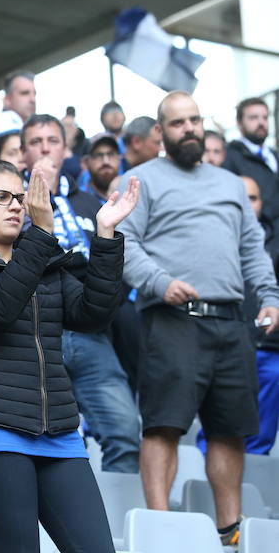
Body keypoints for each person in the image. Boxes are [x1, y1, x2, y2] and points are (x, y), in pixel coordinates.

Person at [0, 159, 139, 552]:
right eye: (1, 196)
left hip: (58, 432)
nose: (15, 206)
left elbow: (93, 316)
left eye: (20, 198)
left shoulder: (46, 265)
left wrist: (107, 237)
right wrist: (40, 236)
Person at [118, 91, 279, 546]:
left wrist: (269, 296)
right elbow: (122, 241)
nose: (189, 128)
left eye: (194, 121)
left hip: (231, 321)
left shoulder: (230, 183)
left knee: (229, 430)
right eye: (177, 123)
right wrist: (157, 282)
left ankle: (231, 532)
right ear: (161, 133)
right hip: (172, 318)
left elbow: (252, 248)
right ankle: (161, 529)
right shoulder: (139, 179)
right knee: (163, 425)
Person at [23, 115, 141, 473]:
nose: (45, 147)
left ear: (66, 148)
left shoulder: (91, 202)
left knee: (124, 433)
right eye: (35, 141)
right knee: (39, 440)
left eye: (52, 140)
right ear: (24, 151)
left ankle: (117, 525)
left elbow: (118, 264)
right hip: (38, 335)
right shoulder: (11, 201)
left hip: (92, 334)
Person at [196, 176, 279, 456]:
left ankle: (255, 479)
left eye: (253, 198)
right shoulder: (205, 235)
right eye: (241, 197)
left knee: (259, 434)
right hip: (216, 339)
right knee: (216, 427)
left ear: (262, 203)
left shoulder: (275, 242)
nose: (246, 204)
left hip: (268, 347)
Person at [222, 97, 279, 227]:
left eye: (265, 117)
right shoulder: (229, 156)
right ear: (239, 123)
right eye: (253, 118)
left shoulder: (274, 155)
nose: (261, 123)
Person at [82, 134, 122, 204]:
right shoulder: (79, 199)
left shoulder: (131, 190)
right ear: (86, 163)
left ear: (119, 159)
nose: (106, 161)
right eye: (98, 155)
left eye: (111, 154)